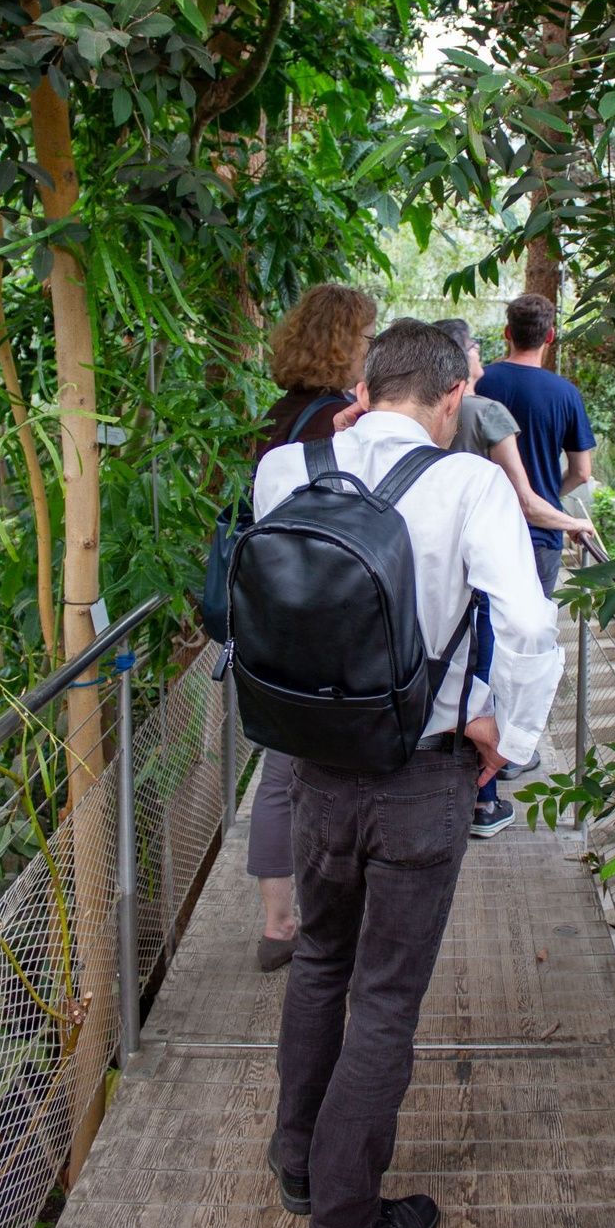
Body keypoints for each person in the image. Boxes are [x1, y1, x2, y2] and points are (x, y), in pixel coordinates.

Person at [255, 319, 562, 1228]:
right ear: (453, 396)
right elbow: (528, 627)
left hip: (314, 766)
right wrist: (510, 739)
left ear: (365, 386)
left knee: (319, 961)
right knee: (385, 998)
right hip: (423, 777)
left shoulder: (287, 468)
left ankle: (298, 1162)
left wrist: (337, 436)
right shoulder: (469, 483)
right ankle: (343, 1224)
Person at [248, 283, 376, 973]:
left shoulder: (275, 416)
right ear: (346, 342)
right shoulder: (334, 422)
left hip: (271, 608)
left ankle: (278, 921)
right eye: (367, 337)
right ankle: (313, 922)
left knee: (278, 766)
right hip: (321, 613)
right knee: (313, 767)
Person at [432, 317, 592, 835]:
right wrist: (568, 519)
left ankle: (450, 773)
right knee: (500, 656)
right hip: (507, 549)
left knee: (447, 658)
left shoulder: (417, 415)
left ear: (508, 333)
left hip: (432, 560)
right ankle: (491, 781)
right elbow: (536, 495)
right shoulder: (489, 410)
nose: (481, 358)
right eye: (474, 350)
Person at [475, 293, 595, 775]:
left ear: (507, 332)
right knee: (525, 646)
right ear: (550, 336)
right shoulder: (565, 394)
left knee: (479, 633)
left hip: (482, 526)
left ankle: (473, 734)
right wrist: (549, 496)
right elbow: (582, 472)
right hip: (538, 535)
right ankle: (509, 750)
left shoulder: (481, 382)